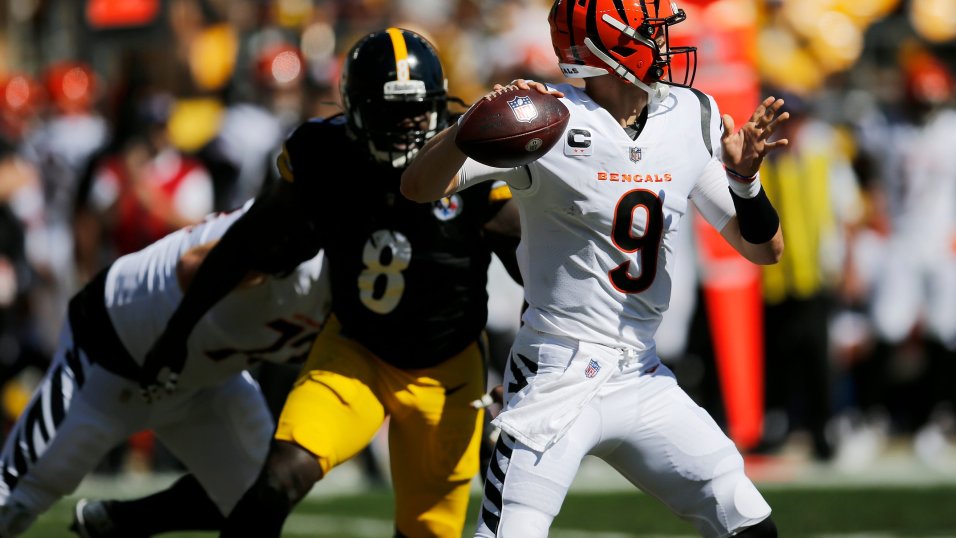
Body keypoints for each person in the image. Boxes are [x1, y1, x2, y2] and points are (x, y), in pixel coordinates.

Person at [401, 1, 786, 536]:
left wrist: (745, 182)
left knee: (748, 522)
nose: (664, 40)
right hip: (557, 374)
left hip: (644, 373)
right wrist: (467, 127)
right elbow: (418, 187)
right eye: (649, 30)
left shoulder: (690, 113)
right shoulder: (544, 120)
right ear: (605, 47)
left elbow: (764, 249)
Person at [136, 28, 521, 538]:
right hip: (356, 351)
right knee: (277, 481)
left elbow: (536, 271)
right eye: (389, 110)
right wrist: (177, 329)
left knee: (426, 531)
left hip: (448, 370)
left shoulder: (468, 156)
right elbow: (244, 246)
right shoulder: (325, 153)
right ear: (354, 107)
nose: (407, 126)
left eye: (416, 109)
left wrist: (527, 377)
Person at [0, 198, 330, 538]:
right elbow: (193, 267)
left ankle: (120, 522)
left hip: (208, 379)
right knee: (14, 501)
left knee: (263, 496)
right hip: (117, 351)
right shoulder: (303, 244)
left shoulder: (371, 293)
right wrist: (174, 339)